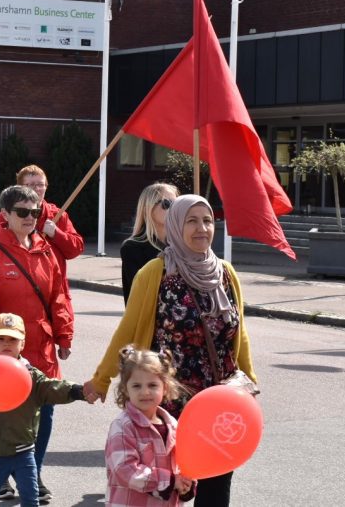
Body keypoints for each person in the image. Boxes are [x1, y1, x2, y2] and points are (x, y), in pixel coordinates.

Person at [83, 195, 256, 507]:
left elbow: (238, 333)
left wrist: (249, 382)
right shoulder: (156, 272)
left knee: (217, 485)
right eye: (192, 221)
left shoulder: (226, 273)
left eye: (207, 220)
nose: (202, 228)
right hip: (175, 401)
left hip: (221, 399)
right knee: (174, 487)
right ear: (176, 226)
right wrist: (102, 378)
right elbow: (128, 329)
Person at [0, 185, 74, 503]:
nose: (30, 218)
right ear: (5, 215)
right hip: (4, 351)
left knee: (44, 412)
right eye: (22, 212)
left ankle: (34, 472)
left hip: (41, 347)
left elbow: (59, 295)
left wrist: (64, 335)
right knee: (4, 415)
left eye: (35, 212)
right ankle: (1, 476)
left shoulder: (45, 250)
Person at [0, 313, 85, 507]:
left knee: (31, 500)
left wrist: (78, 391)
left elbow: (52, 388)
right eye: (1, 339)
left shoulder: (30, 374)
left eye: (13, 339)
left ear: (22, 344)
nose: (7, 343)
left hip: (24, 450)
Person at [105, 346, 195, 507]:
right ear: (126, 389)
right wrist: (171, 481)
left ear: (165, 387)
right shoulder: (123, 426)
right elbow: (124, 470)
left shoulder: (173, 425)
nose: (145, 392)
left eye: (152, 385)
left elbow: (184, 464)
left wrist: (186, 484)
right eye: (136, 386)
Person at [0, 165, 84, 269]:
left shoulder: (58, 215)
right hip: (17, 279)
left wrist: (56, 234)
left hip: (53, 282)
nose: (37, 189)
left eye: (41, 184)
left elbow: (76, 250)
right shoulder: (8, 215)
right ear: (20, 188)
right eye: (31, 185)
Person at [121, 184, 180, 305]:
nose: (172, 209)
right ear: (148, 208)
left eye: (176, 204)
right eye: (167, 204)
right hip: (149, 319)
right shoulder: (132, 247)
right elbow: (141, 292)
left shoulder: (182, 244)